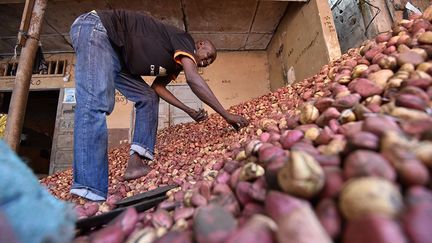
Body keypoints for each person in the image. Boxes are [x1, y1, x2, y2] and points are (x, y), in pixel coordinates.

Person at [69, 9, 249, 201]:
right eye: (208, 56)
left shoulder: (174, 65)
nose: (207, 62)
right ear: (200, 44)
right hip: (99, 30)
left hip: (119, 58)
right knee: (94, 103)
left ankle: (135, 163)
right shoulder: (185, 40)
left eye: (210, 62)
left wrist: (188, 110)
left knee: (147, 97)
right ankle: (89, 192)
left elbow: (158, 89)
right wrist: (226, 114)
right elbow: (193, 78)